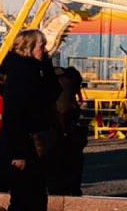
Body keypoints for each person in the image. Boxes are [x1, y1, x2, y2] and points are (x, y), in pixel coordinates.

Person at [0, 29, 62, 211]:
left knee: (35, 194)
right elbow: (15, 114)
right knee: (24, 197)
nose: (45, 50)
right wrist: (18, 153)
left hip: (34, 142)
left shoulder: (35, 70)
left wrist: (47, 64)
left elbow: (54, 92)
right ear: (28, 48)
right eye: (42, 46)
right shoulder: (21, 73)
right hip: (24, 144)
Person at [48, 66, 87, 195]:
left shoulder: (56, 80)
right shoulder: (67, 84)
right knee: (68, 165)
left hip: (53, 130)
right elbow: (64, 109)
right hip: (62, 131)